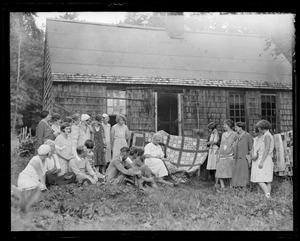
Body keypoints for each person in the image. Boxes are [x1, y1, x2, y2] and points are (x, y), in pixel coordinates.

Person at [250, 120, 275, 198]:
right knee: (266, 179)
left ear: (261, 128)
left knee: (259, 178)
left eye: (259, 128)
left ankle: (268, 196)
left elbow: (267, 149)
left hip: (265, 158)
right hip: (266, 157)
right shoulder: (267, 135)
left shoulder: (267, 135)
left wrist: (262, 161)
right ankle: (267, 196)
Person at [215, 119, 238, 189]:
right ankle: (222, 186)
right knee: (219, 170)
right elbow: (221, 144)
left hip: (230, 154)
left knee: (230, 171)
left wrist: (234, 153)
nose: (223, 126)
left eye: (225, 125)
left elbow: (236, 144)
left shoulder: (235, 134)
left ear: (229, 125)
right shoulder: (223, 134)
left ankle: (231, 186)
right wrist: (218, 154)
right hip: (222, 154)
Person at [232, 122, 253, 188]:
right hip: (236, 158)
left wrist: (251, 159)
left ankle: (245, 187)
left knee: (244, 173)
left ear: (240, 128)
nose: (235, 129)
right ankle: (237, 187)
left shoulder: (247, 135)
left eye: (236, 127)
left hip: (244, 158)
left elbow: (251, 148)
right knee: (237, 172)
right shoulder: (236, 136)